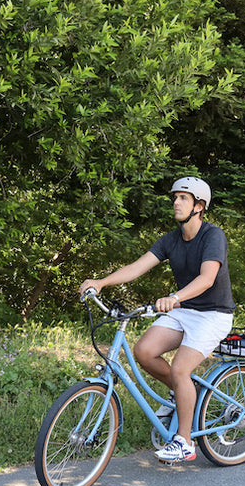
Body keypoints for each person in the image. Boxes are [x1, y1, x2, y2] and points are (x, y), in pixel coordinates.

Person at [79, 177, 236, 464]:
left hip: (213, 314)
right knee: (144, 352)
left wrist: (175, 297)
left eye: (183, 198)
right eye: (175, 197)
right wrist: (102, 282)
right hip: (185, 310)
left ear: (199, 206)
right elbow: (138, 267)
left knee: (180, 368)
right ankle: (184, 393)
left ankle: (185, 442)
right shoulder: (171, 240)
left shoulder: (213, 236)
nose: (175, 202)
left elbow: (207, 278)